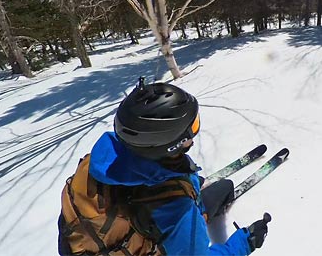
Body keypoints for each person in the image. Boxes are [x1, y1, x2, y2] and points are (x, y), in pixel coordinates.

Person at [58, 78, 271, 256]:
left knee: (223, 188)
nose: (194, 133)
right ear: (169, 143)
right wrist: (243, 243)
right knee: (222, 191)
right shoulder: (177, 209)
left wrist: (185, 181)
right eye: (192, 127)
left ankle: (194, 192)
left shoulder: (103, 159)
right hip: (152, 233)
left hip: (97, 238)